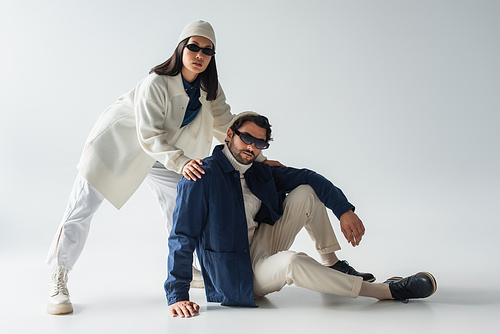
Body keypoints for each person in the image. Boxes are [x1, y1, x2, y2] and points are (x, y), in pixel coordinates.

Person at [45, 21, 281, 316]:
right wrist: (182, 163)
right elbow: (149, 136)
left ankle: (186, 271)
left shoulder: (209, 89)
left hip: (163, 156)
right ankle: (58, 277)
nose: (200, 54)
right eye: (193, 47)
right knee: (80, 211)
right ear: (181, 47)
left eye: (207, 50)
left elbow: (227, 125)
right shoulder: (156, 82)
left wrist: (256, 156)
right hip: (118, 148)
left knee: (182, 206)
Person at [164, 112, 437, 318]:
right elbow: (181, 237)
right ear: (229, 134)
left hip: (259, 247)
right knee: (293, 262)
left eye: (260, 143)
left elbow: (308, 176)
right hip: (236, 275)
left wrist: (344, 210)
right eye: (246, 138)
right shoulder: (200, 175)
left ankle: (330, 262)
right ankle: (386, 292)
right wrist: (177, 296)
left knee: (305, 190)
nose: (252, 147)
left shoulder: (260, 170)